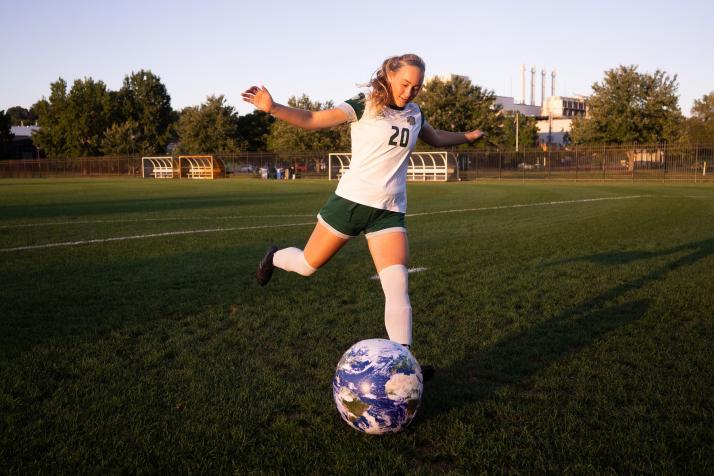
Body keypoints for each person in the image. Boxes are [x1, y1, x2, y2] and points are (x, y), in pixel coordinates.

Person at [242, 54, 483, 379]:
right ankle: (274, 256)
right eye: (405, 84)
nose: (410, 92)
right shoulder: (363, 105)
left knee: (398, 286)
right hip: (350, 204)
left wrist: (466, 137)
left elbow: (436, 137)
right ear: (389, 75)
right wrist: (273, 108)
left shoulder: (415, 113)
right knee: (307, 265)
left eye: (417, 87)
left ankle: (404, 367)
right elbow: (313, 118)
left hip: (389, 211)